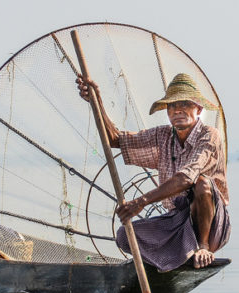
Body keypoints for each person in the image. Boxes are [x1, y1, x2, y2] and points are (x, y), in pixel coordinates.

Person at [76, 73, 230, 271]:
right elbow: (116, 140)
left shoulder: (209, 135)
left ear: (198, 109)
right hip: (178, 221)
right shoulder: (163, 135)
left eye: (185, 104)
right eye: (172, 106)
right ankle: (172, 258)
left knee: (202, 183)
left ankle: (202, 248)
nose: (178, 110)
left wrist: (140, 202)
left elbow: (186, 177)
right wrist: (96, 102)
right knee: (124, 236)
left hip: (212, 224)